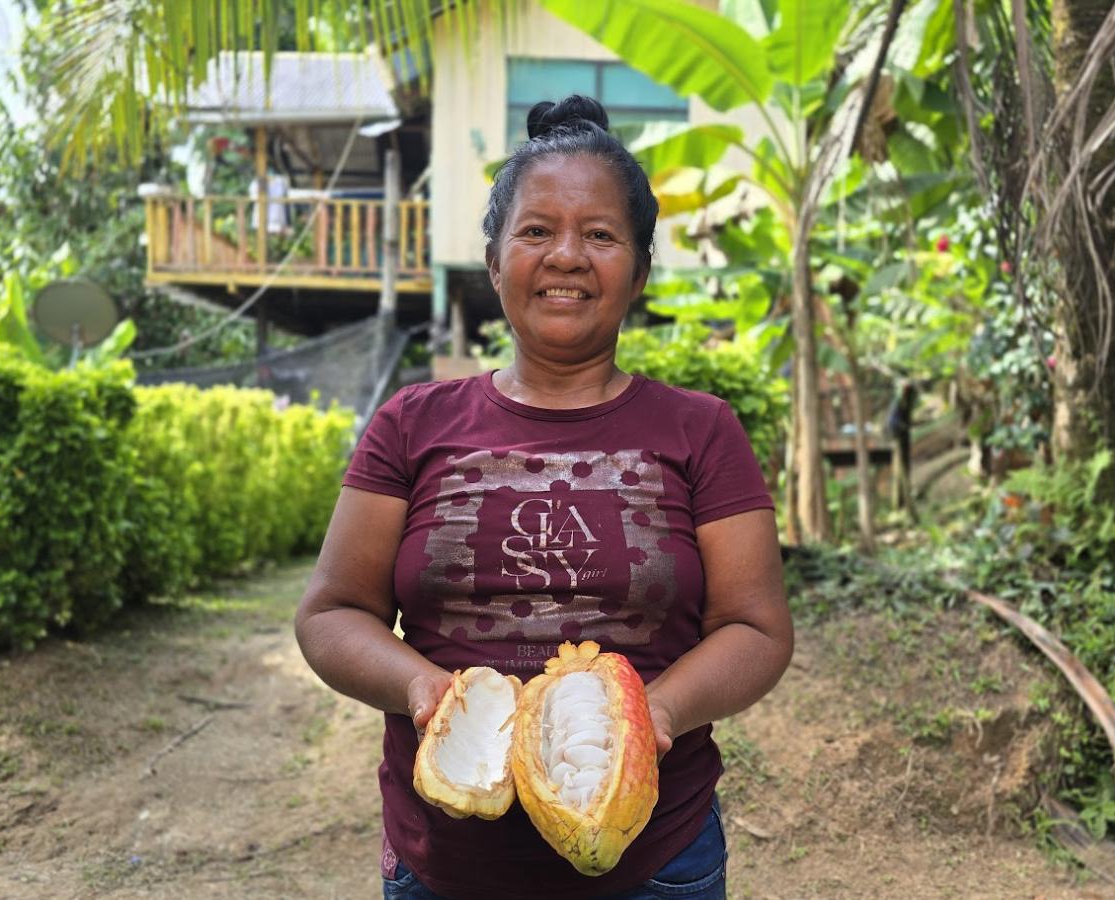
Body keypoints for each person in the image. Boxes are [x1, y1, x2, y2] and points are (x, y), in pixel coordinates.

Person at [295, 95, 793, 900]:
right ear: (495, 262)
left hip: (653, 858)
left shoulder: (702, 430)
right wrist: (422, 688)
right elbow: (329, 614)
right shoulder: (411, 425)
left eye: (600, 235)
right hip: (446, 863)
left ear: (639, 269)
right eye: (535, 231)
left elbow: (757, 628)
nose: (567, 255)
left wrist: (655, 714)